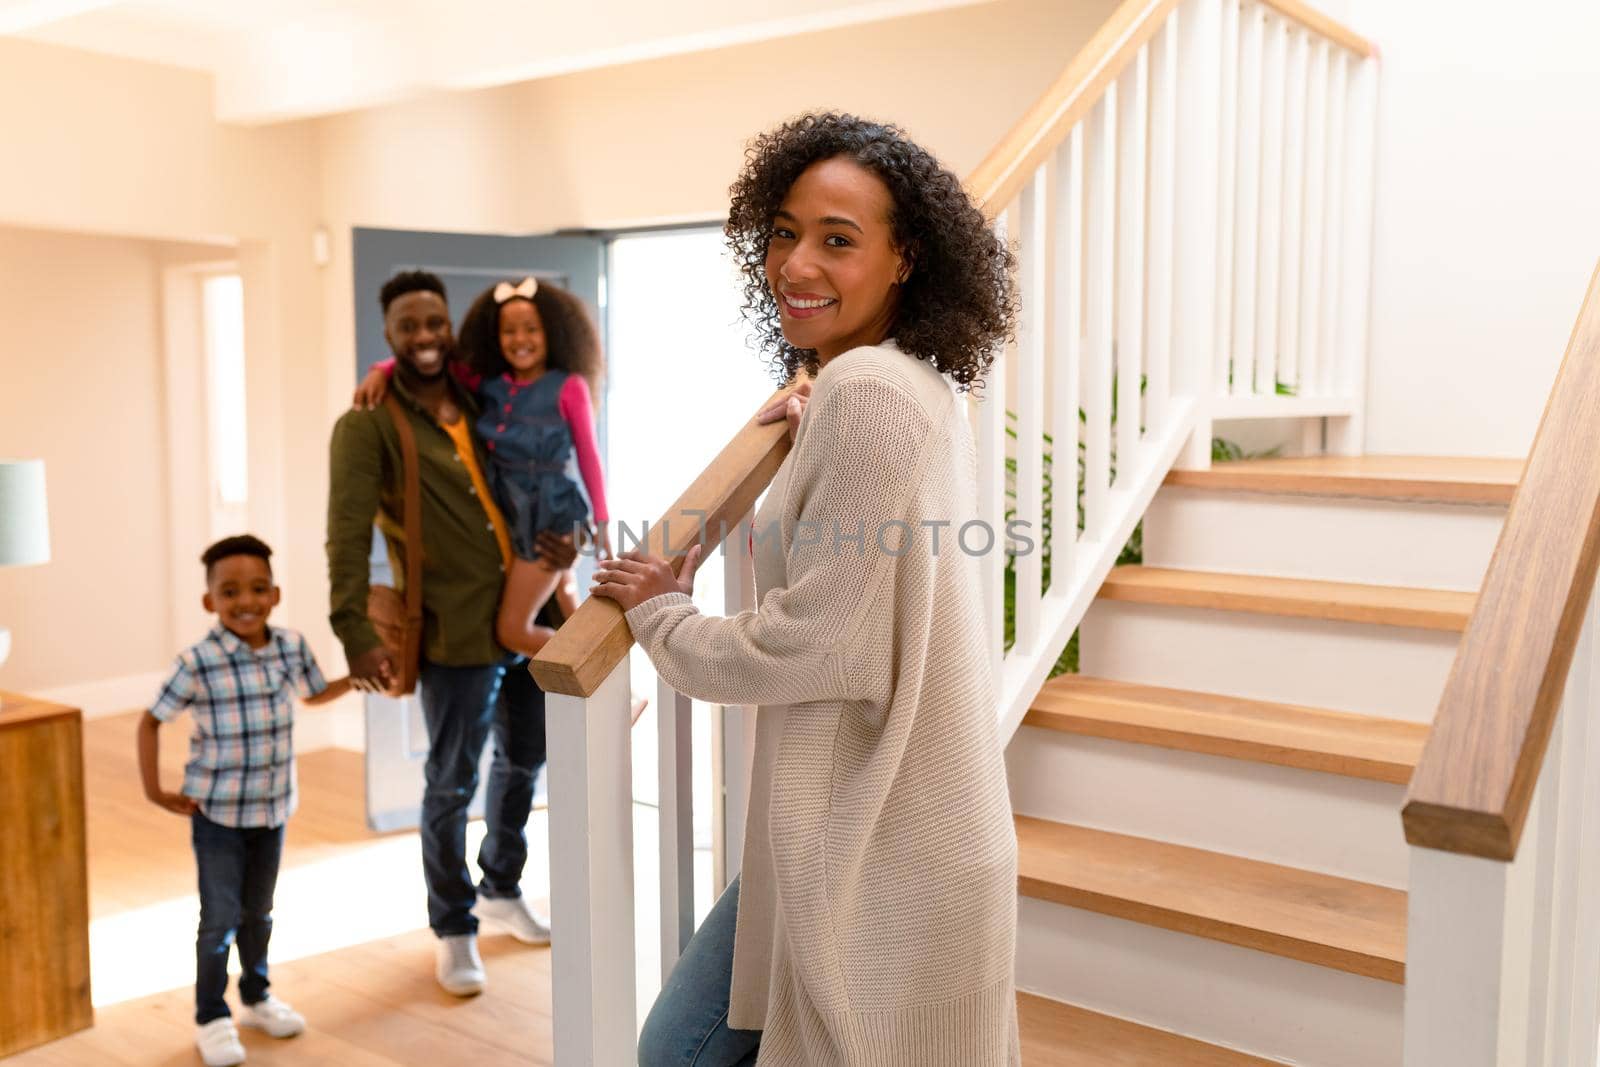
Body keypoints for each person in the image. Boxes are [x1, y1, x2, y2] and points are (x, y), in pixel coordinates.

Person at [593, 112, 1021, 1066]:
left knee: (675, 1052)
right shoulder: (908, 382)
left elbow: (815, 643)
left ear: (905, 258)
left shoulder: (868, 389)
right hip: (921, 826)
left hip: (873, 840)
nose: (796, 263)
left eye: (838, 239)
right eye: (784, 232)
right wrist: (811, 399)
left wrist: (664, 611)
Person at [327, 271, 572, 998]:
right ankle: (454, 924)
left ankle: (502, 883)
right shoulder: (367, 423)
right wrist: (351, 629)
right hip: (450, 627)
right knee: (450, 779)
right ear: (390, 335)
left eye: (435, 322)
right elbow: (344, 535)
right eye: (409, 327)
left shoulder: (478, 395)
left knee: (526, 758)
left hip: (524, 613)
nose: (426, 336)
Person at [138, 534, 350, 1067]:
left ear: (275, 595)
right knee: (220, 917)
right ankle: (211, 1015)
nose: (246, 601)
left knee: (260, 911)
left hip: (273, 810)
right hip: (218, 816)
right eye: (230, 592)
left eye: (258, 589)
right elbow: (151, 720)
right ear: (210, 601)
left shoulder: (291, 647)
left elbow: (314, 692)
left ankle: (256, 996)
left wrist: (358, 679)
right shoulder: (197, 662)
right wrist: (154, 790)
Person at [353, 276, 611, 656]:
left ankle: (603, 680)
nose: (520, 339)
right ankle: (613, 687)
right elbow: (428, 363)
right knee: (568, 611)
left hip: (547, 517)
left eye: (531, 329)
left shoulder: (568, 386)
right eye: (509, 331)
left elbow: (589, 455)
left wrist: (602, 521)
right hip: (511, 511)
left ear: (551, 333)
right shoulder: (490, 385)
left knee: (513, 631)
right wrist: (381, 369)